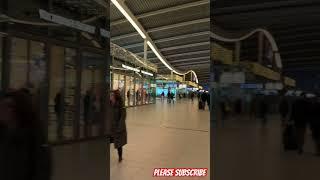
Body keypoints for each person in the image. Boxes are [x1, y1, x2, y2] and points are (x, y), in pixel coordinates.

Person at [0, 89, 51, 180]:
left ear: (20, 109)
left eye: (9, 106)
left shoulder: (33, 136)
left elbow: (42, 170)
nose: (3, 109)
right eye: (2, 105)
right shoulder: (4, 133)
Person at [110, 90, 127, 162]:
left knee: (119, 144)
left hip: (117, 128)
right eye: (110, 95)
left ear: (115, 96)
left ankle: (120, 156)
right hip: (110, 128)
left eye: (112, 95)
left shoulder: (120, 105)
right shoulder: (109, 104)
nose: (110, 97)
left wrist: (119, 128)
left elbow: (123, 117)